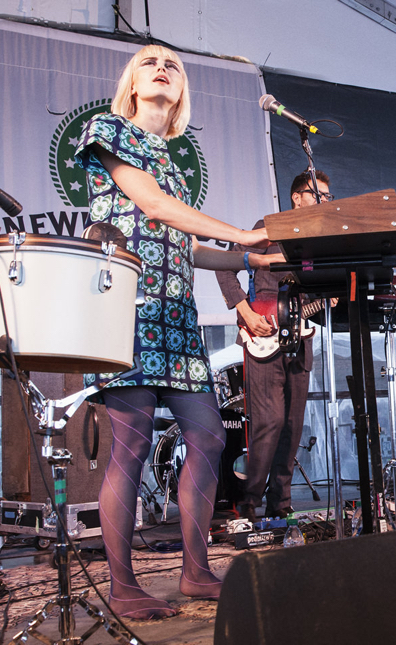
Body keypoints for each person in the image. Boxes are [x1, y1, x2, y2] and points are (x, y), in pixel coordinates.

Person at [74, 44, 282, 619]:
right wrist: (243, 237)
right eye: (149, 62)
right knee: (132, 447)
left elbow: (182, 245)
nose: (163, 67)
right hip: (128, 311)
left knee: (210, 438)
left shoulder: (170, 156)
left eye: (173, 64)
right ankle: (122, 586)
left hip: (177, 317)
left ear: (181, 90)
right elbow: (154, 208)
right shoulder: (107, 129)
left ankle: (195, 570)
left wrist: (249, 263)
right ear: (133, 85)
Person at [215, 170, 330, 521]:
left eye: (328, 195)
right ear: (297, 197)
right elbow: (225, 268)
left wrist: (331, 298)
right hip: (262, 330)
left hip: (301, 334)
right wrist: (245, 311)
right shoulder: (270, 226)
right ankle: (247, 504)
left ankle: (281, 505)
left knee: (294, 425)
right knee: (269, 422)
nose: (324, 200)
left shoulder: (322, 239)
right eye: (317, 193)